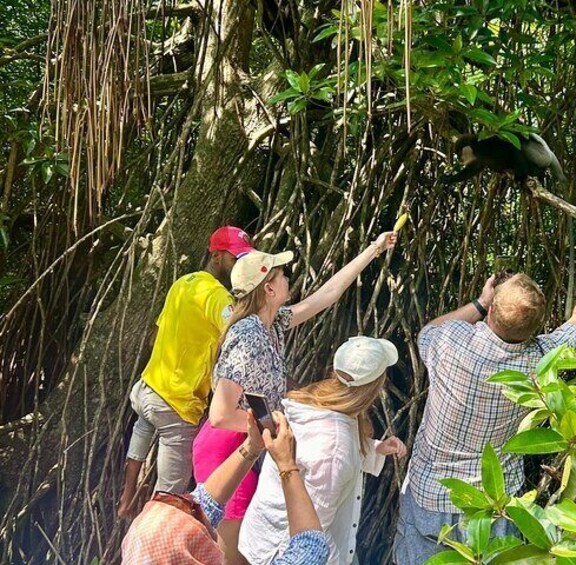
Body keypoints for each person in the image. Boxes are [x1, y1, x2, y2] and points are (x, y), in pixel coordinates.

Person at [393, 258, 576, 564]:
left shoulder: (451, 342)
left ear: (492, 312)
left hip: (429, 496)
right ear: (535, 327)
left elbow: (428, 331)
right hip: (494, 505)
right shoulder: (541, 361)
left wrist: (480, 302)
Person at [193, 232, 398, 564]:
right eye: (281, 274)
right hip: (227, 448)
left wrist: (373, 250)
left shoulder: (273, 324)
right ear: (269, 289)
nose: (289, 278)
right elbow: (219, 415)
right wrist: (274, 426)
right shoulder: (247, 336)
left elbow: (327, 295)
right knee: (230, 555)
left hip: (253, 443)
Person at [117, 226, 254, 518]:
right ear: (216, 256)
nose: (239, 265)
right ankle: (152, 545)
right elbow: (240, 338)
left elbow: (157, 335)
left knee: (141, 433)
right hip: (176, 405)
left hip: (148, 389)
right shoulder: (218, 297)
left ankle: (126, 499)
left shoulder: (182, 283)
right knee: (170, 496)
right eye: (235, 257)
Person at [239, 336, 408, 565]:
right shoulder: (336, 449)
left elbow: (313, 452)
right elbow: (312, 532)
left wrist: (375, 448)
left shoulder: (313, 400)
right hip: (285, 551)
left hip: (264, 533)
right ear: (375, 387)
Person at [122, 409, 331, 565]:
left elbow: (202, 504)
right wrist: (287, 465)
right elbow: (311, 547)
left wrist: (252, 447)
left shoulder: (140, 554)